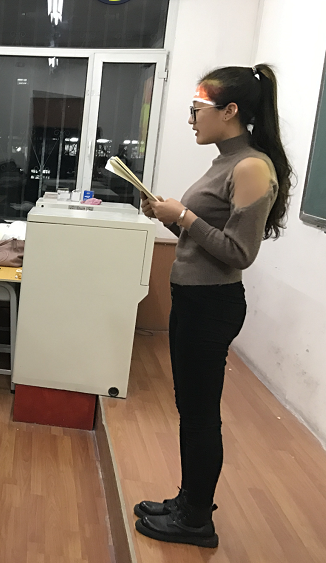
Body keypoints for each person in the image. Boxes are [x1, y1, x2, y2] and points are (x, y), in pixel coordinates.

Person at [134, 64, 291, 548]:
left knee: (200, 414)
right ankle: (188, 501)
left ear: (230, 111)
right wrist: (168, 217)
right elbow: (203, 238)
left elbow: (239, 252)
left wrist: (183, 215)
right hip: (193, 297)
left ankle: (196, 520)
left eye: (197, 110)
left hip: (211, 304)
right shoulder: (226, 160)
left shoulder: (251, 167)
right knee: (190, 408)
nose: (191, 120)